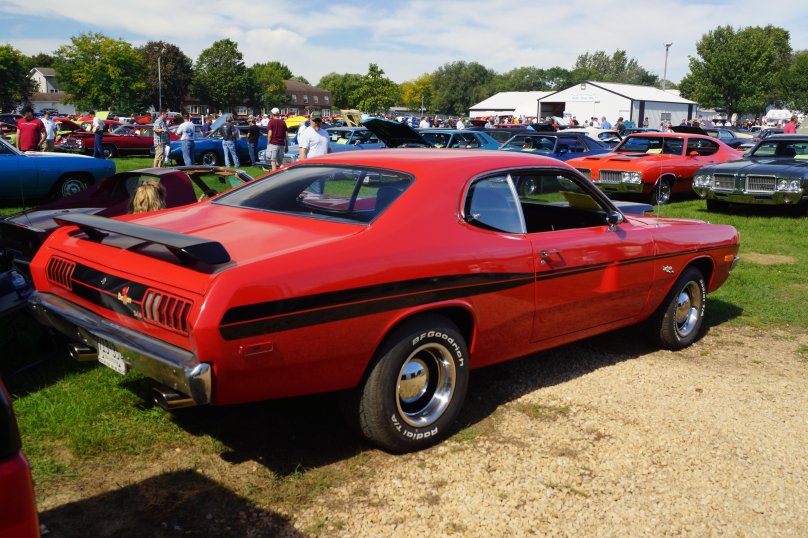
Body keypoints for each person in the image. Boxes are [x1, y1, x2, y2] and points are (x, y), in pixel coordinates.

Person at [266, 107, 288, 172]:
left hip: (273, 143)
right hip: (281, 144)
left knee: (273, 162)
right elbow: (286, 135)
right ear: (279, 114)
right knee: (280, 162)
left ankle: (274, 178)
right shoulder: (283, 122)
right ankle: (284, 175)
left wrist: (268, 143)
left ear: (272, 114)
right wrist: (286, 146)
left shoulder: (271, 121)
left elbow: (270, 134)